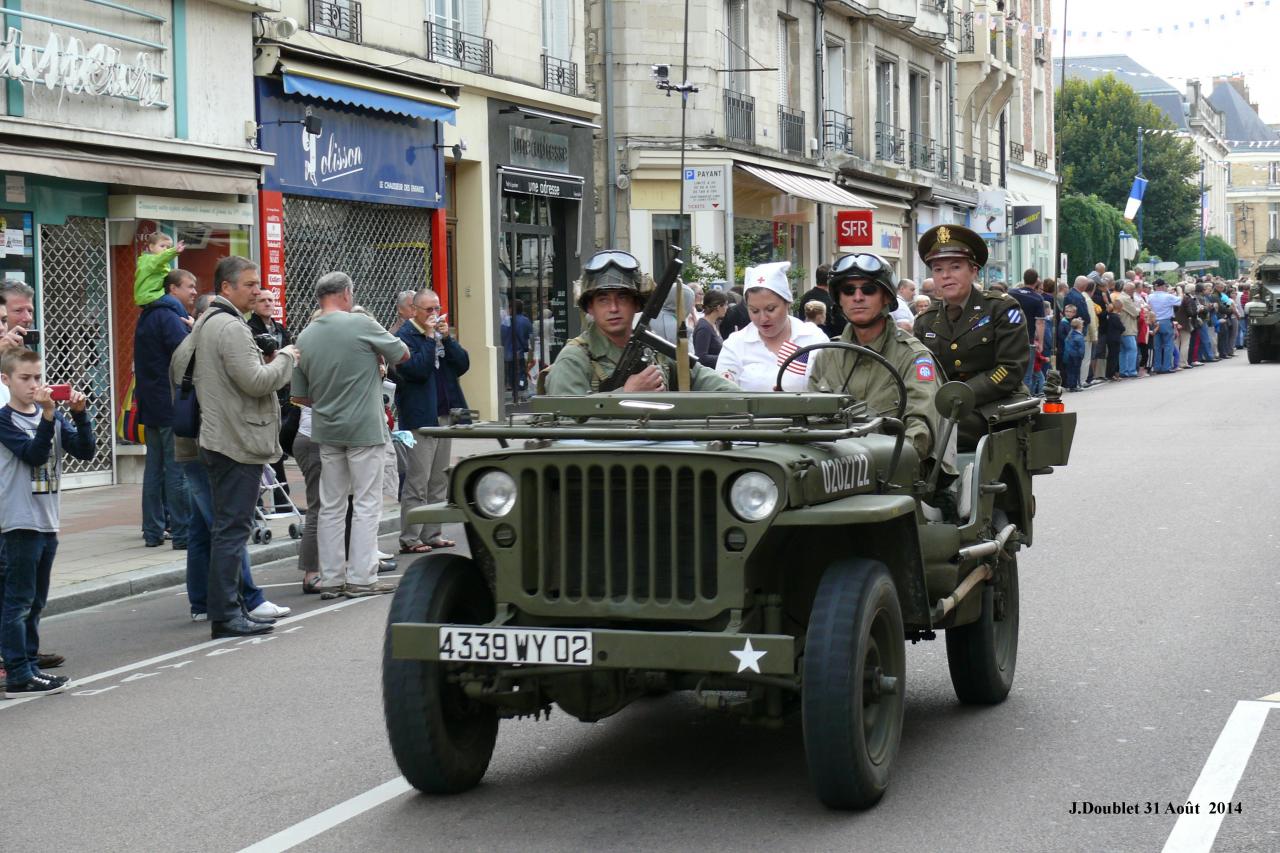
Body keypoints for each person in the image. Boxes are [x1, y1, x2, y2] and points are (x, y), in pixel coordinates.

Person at [190, 256, 299, 638]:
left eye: (258, 285)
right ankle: (226, 614)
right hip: (236, 441)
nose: (257, 291)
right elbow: (255, 382)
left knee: (225, 528)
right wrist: (286, 357)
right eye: (250, 285)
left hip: (223, 436)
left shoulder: (209, 322)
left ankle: (230, 609)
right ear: (226, 288)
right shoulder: (230, 327)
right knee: (232, 530)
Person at [291, 272, 407, 600]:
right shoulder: (359, 324)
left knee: (331, 505)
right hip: (364, 429)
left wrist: (330, 401)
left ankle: (330, 579)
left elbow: (300, 396)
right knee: (367, 503)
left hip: (327, 430)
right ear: (346, 293)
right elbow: (403, 354)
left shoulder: (306, 336)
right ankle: (361, 576)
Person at [0, 348, 95, 697]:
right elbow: (33, 455)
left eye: (38, 377)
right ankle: (19, 672)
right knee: (18, 601)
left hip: (47, 520)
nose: (33, 385)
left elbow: (85, 451)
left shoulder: (50, 416)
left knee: (36, 601)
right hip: (18, 521)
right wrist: (49, 417)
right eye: (25, 378)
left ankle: (28, 663)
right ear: (6, 380)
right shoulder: (4, 420)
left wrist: (81, 416)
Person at [807, 252, 940, 472]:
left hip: (890, 477)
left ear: (886, 297)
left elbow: (919, 431)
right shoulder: (827, 355)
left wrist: (882, 465)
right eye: (848, 290)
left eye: (868, 289)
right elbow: (809, 421)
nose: (857, 297)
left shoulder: (913, 356)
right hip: (828, 472)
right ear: (839, 299)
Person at [546, 249, 737, 394]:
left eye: (622, 298)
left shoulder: (654, 350)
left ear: (637, 304)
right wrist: (626, 394)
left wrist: (752, 401)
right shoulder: (573, 360)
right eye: (603, 300)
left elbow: (703, 379)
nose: (613, 308)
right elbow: (566, 426)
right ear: (590, 308)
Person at [912, 224, 1028, 447]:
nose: (946, 276)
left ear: (974, 270)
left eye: (955, 267)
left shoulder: (1001, 308)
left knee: (945, 431)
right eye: (937, 269)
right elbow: (919, 370)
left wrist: (961, 396)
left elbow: (1010, 367)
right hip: (943, 406)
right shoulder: (926, 320)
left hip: (993, 405)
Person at [394, 288, 470, 555]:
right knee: (418, 480)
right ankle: (410, 537)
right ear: (414, 310)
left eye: (437, 308)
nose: (434, 314)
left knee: (439, 479)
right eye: (429, 309)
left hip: (444, 413)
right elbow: (416, 370)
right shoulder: (404, 338)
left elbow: (462, 365)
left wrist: (448, 340)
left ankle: (433, 533)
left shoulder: (439, 334)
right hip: (419, 417)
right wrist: (428, 339)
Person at [134, 268, 197, 550]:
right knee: (177, 471)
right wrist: (194, 331)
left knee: (154, 471)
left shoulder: (146, 316)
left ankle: (152, 532)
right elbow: (186, 356)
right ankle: (182, 534)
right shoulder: (171, 317)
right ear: (173, 289)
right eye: (189, 286)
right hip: (171, 406)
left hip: (151, 405)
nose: (194, 291)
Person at [717, 262, 828, 391]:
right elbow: (723, 398)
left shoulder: (813, 338)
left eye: (770, 309)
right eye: (754, 311)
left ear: (788, 303)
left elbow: (833, 387)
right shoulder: (736, 345)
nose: (763, 318)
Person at [247, 290, 294, 513]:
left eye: (270, 300)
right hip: (263, 392)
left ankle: (282, 501)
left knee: (278, 451)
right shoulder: (249, 329)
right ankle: (257, 504)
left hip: (283, 396)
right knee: (264, 452)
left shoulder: (280, 329)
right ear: (254, 305)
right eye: (262, 300)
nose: (267, 304)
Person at [1009, 269, 1047, 394]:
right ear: (1037, 281)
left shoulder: (1011, 293)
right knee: (1026, 374)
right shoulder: (1037, 298)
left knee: (1010, 371)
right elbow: (1040, 322)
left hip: (1010, 337)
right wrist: (1040, 342)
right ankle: (1025, 401)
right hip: (1027, 339)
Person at [133, 232, 186, 308]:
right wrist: (174, 250)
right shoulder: (150, 260)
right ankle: (185, 320)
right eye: (162, 246)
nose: (165, 249)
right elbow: (161, 258)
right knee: (175, 304)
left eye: (168, 247)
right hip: (150, 296)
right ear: (151, 247)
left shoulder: (160, 263)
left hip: (152, 295)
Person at [796, 263, 845, 338]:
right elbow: (841, 328)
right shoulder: (832, 301)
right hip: (828, 344)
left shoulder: (805, 297)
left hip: (806, 342)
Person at [502, 299, 533, 404]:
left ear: (511, 309)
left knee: (511, 374)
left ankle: (514, 391)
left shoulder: (506, 321)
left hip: (507, 354)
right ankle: (520, 391)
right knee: (520, 373)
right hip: (519, 353)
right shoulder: (525, 321)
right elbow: (531, 338)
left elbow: (501, 336)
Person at [1147, 279, 1180, 374]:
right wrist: (1180, 292)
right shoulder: (1168, 296)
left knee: (1157, 346)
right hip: (1165, 321)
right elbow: (1179, 302)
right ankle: (1166, 366)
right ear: (1163, 286)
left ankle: (1157, 366)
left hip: (1155, 321)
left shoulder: (1150, 296)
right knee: (1168, 345)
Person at [693, 289, 727, 368]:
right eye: (725, 305)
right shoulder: (704, 328)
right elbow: (701, 357)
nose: (727, 308)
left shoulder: (714, 323)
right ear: (718, 307)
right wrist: (725, 358)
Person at [1114, 282, 1140, 378]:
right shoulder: (1126, 299)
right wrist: (1140, 307)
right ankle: (1131, 371)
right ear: (1130, 290)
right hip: (1128, 328)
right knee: (1132, 349)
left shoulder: (1119, 297)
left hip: (1121, 328)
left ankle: (1123, 371)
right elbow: (1135, 313)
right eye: (1133, 290)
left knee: (1123, 351)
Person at [1062, 318, 1086, 391]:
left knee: (1070, 371)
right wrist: (1081, 356)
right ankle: (1074, 386)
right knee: (1075, 371)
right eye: (1082, 325)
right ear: (1079, 326)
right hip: (1076, 356)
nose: (1083, 326)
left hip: (1068, 355)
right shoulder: (1079, 336)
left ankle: (1070, 385)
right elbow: (1081, 349)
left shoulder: (1070, 335)